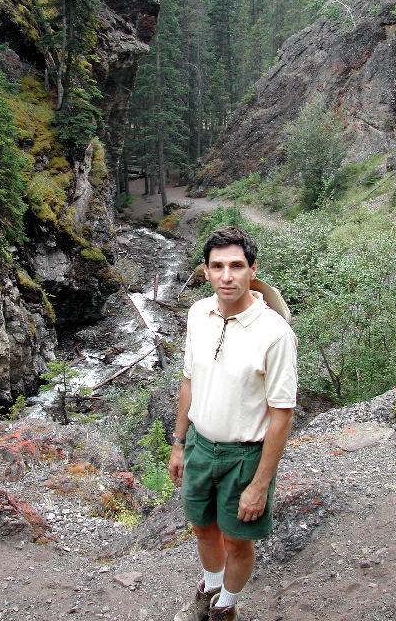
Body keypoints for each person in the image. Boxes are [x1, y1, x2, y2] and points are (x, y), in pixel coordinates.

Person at [168, 226, 297, 621]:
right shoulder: (197, 314)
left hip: (245, 455)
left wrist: (259, 484)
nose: (227, 276)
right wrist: (178, 443)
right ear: (205, 271)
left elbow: (282, 414)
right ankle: (209, 589)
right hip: (200, 446)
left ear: (252, 270)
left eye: (236, 266)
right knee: (203, 528)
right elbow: (189, 381)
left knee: (238, 542)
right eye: (218, 266)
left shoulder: (275, 334)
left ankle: (226, 607)